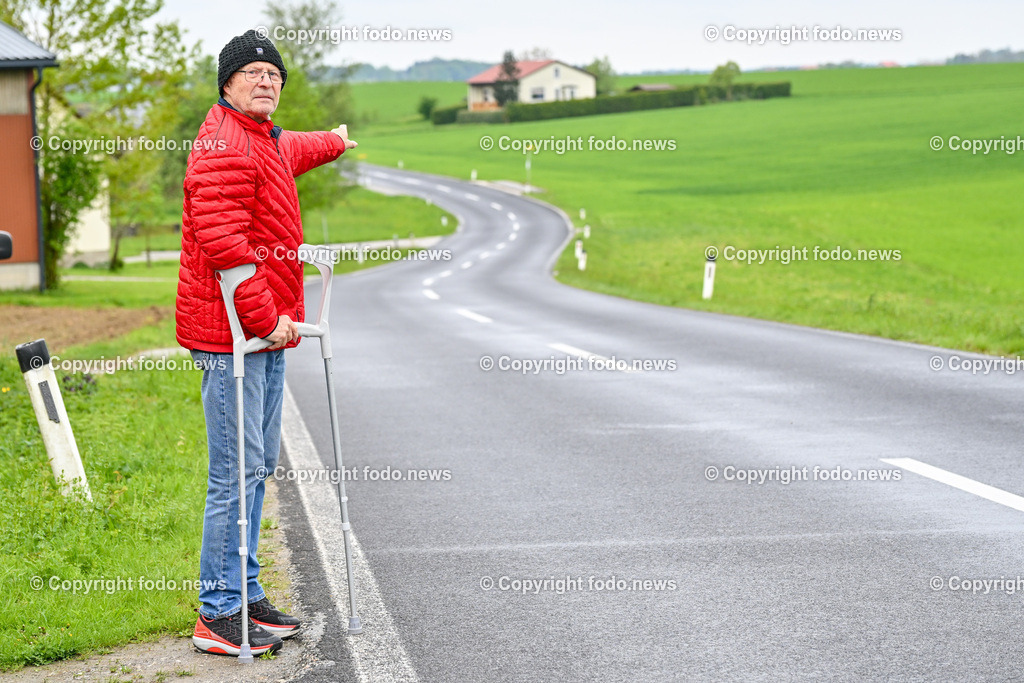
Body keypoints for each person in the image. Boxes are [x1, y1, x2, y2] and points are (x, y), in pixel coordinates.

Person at [175, 29, 357, 657]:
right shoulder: (223, 143)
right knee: (233, 473)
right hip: (233, 335)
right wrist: (263, 317)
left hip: (258, 336)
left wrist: (333, 141)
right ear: (226, 83)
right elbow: (225, 243)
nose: (266, 80)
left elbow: (292, 150)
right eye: (252, 72)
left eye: (274, 73)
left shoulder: (262, 139)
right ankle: (218, 613)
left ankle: (245, 598)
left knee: (255, 468)